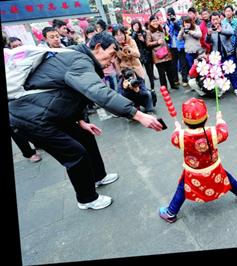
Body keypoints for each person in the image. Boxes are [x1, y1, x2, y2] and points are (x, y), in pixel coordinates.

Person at [8, 31, 163, 210]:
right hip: (32, 119)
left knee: (86, 136)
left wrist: (81, 120)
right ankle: (86, 199)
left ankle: (98, 176)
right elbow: (96, 91)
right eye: (112, 53)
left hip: (47, 112)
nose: (112, 60)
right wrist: (138, 114)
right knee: (75, 153)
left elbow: (71, 94)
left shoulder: (75, 58)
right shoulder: (78, 60)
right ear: (97, 47)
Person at [159, 98, 237, 223]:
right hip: (214, 167)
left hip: (193, 172)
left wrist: (177, 129)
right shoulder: (213, 132)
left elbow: (174, 139)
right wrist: (219, 120)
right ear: (207, 116)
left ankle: (171, 213)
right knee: (227, 178)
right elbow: (224, 132)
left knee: (182, 189)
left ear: (184, 121)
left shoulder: (180, 136)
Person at [206, 11, 237, 96]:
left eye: (216, 19)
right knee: (219, 73)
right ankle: (222, 89)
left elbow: (231, 32)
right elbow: (207, 41)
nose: (215, 21)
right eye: (213, 20)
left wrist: (221, 31)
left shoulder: (225, 25)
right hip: (216, 55)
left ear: (220, 18)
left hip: (228, 52)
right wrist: (209, 35)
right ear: (211, 20)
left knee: (231, 71)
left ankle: (236, 88)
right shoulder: (210, 28)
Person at [146, 15, 178, 90]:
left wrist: (167, 35)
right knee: (162, 74)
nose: (155, 22)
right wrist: (157, 42)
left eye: (156, 20)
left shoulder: (162, 29)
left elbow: (166, 39)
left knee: (170, 71)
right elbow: (148, 44)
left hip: (166, 53)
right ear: (150, 23)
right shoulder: (148, 32)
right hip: (158, 56)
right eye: (153, 21)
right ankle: (165, 89)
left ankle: (173, 85)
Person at [131, 19, 156, 90]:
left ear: (139, 25)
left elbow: (148, 44)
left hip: (147, 55)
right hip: (138, 57)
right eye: (134, 25)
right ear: (132, 26)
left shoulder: (144, 33)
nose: (136, 26)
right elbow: (131, 45)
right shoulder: (131, 35)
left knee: (150, 73)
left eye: (137, 25)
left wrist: (143, 40)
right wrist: (133, 35)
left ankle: (152, 88)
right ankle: (143, 88)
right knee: (139, 74)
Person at [165, 7, 187, 87]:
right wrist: (166, 34)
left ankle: (185, 79)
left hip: (180, 46)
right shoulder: (166, 24)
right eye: (168, 15)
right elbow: (166, 37)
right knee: (173, 65)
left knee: (183, 63)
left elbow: (181, 29)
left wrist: (174, 22)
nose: (170, 16)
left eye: (171, 14)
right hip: (172, 47)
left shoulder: (179, 21)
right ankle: (176, 80)